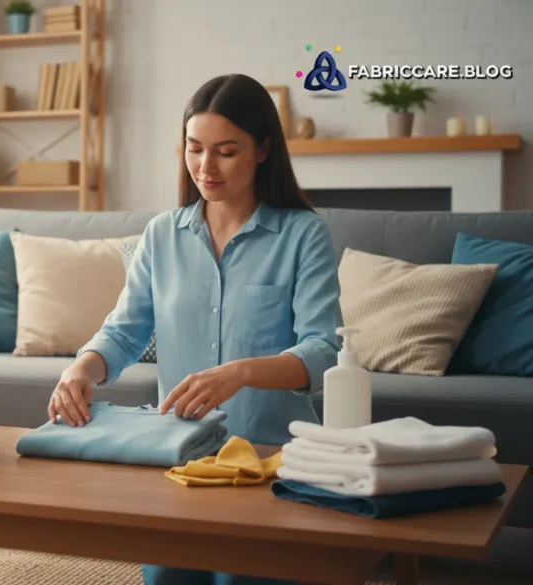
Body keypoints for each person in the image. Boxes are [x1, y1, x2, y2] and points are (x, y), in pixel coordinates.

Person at [47, 73, 344, 585]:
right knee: (166, 577)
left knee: (238, 578)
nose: (206, 167)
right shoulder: (162, 234)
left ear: (263, 149)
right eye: (194, 148)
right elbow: (124, 332)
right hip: (182, 458)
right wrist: (81, 370)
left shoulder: (303, 234)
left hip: (269, 458)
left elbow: (324, 351)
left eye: (226, 151)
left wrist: (241, 372)